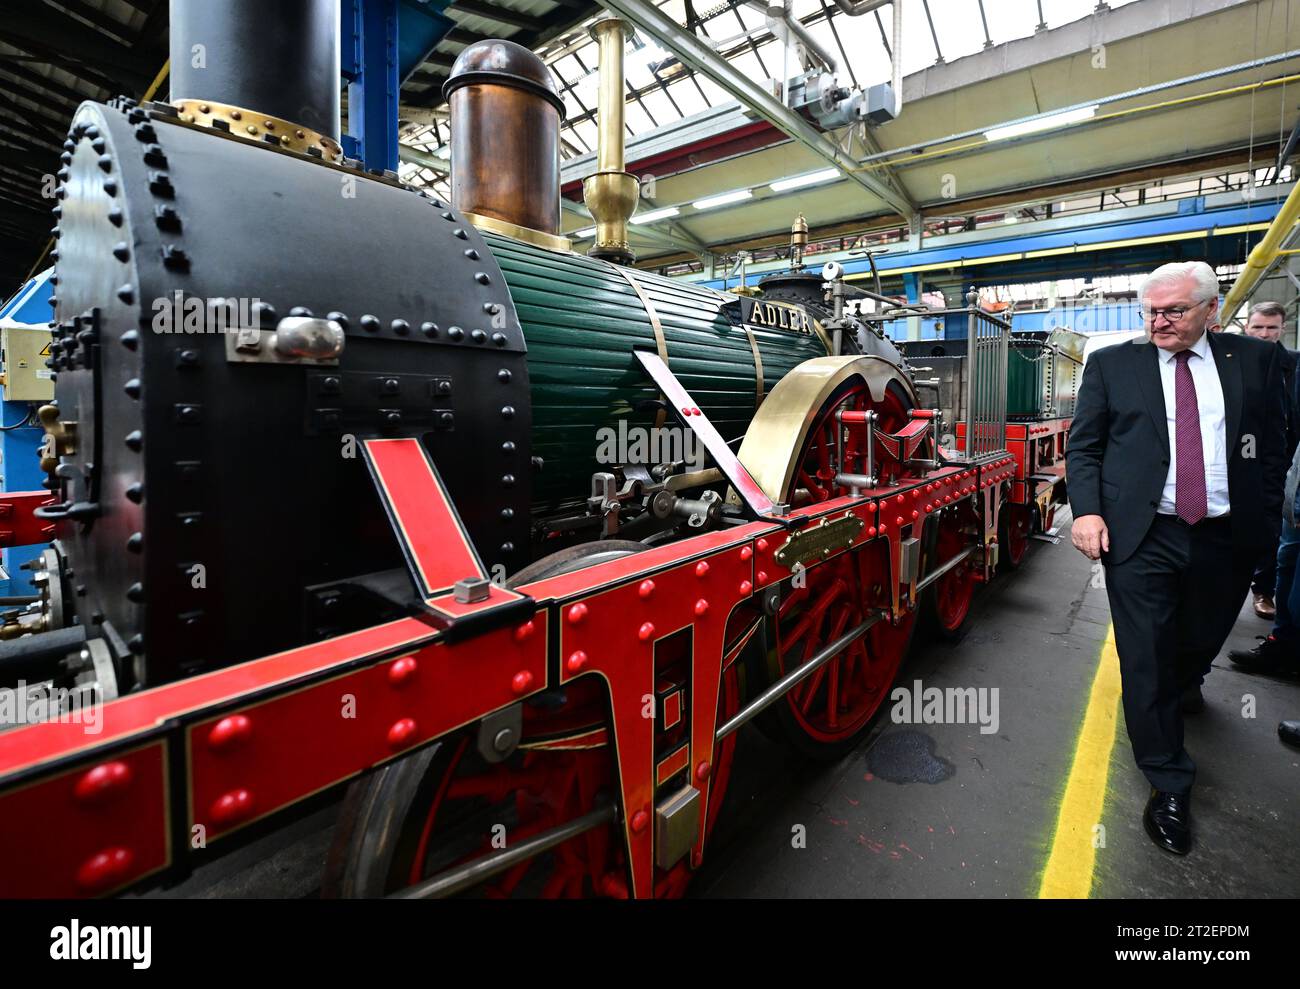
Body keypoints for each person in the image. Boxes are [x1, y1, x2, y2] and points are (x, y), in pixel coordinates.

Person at [1066, 261, 1286, 856]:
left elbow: (1272, 444)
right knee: (1146, 654)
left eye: (1174, 311)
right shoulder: (1114, 364)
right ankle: (1168, 778)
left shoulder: (1256, 361)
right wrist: (1085, 511)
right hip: (1142, 534)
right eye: (1150, 311)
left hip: (1224, 535)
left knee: (1199, 637)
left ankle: (1185, 683)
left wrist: (1264, 516)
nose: (1158, 322)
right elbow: (1083, 445)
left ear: (1211, 310)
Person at [1241, 301, 1299, 619]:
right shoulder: (1232, 363)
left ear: (1282, 329)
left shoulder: (1294, 365)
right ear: (1247, 327)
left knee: (1275, 528)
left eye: (1271, 328)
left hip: (1283, 460)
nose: (1265, 334)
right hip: (1241, 457)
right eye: (1258, 327)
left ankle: (1263, 589)